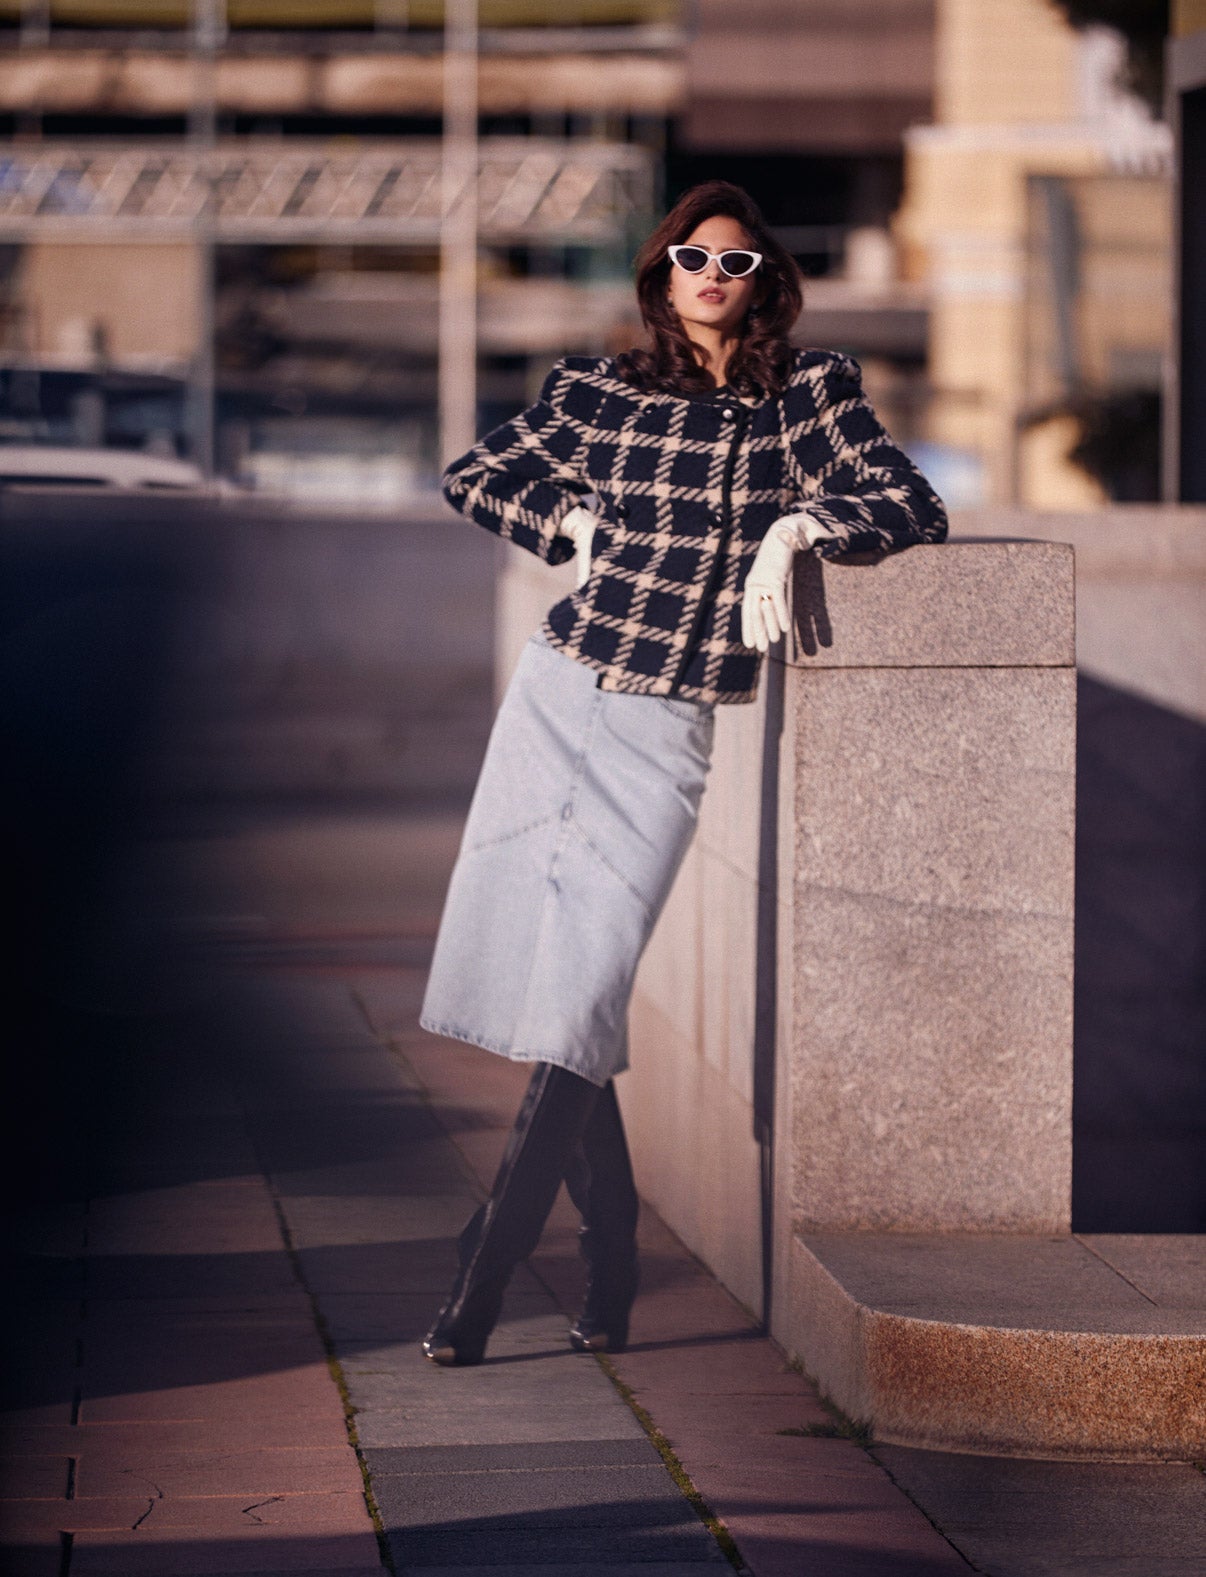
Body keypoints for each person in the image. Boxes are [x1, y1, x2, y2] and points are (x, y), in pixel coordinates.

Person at [418, 179, 948, 1366]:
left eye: (738, 263)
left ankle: (482, 1272)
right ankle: (608, 1272)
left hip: (671, 722)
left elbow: (910, 501)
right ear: (660, 274)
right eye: (691, 259)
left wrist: (799, 529)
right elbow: (472, 476)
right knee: (567, 993)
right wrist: (572, 530)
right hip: (561, 694)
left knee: (586, 980)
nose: (713, 276)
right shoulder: (595, 391)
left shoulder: (807, 392)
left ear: (767, 281)